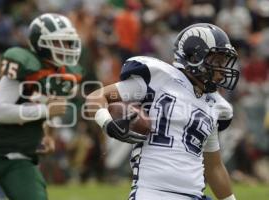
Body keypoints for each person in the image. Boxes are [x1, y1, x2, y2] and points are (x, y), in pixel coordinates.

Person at [86, 23, 239, 200]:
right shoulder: (158, 78)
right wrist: (108, 124)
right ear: (194, 56)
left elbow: (214, 167)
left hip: (194, 195)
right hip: (153, 193)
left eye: (224, 62)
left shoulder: (214, 104)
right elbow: (96, 97)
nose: (222, 68)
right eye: (217, 60)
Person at [0, 13, 82, 200]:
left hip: (20, 158)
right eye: (60, 42)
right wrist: (45, 111)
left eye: (69, 42)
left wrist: (47, 134)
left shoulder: (65, 73)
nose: (67, 48)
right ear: (40, 43)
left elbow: (49, 108)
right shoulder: (24, 62)